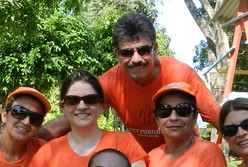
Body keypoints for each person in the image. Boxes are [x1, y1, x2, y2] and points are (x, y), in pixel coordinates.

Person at [38, 12, 221, 153]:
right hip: (147, 162)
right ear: (117, 54)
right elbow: (75, 114)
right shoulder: (110, 82)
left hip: (186, 155)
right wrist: (29, 140)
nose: (136, 59)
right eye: (127, 53)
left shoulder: (182, 74)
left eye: (143, 50)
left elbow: (218, 118)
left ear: (154, 48)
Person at [27, 70, 148, 167]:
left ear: (101, 104)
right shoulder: (46, 154)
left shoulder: (126, 143)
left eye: (90, 99)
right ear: (63, 106)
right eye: (72, 100)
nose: (82, 106)